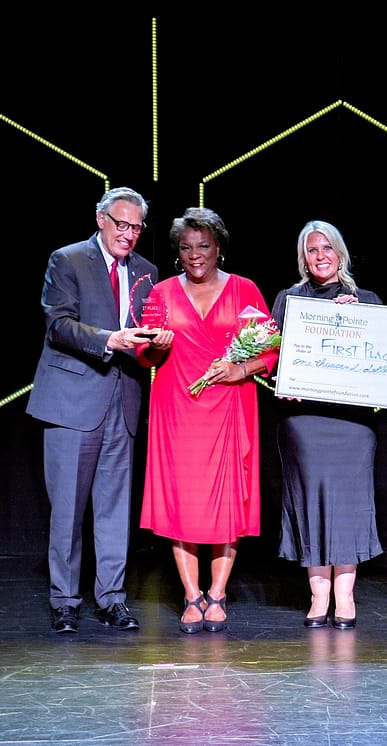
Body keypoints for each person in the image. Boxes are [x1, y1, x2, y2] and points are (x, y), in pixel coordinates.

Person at [138, 207, 279, 634]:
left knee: (225, 501)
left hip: (230, 407)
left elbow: (270, 348)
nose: (195, 255)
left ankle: (217, 594)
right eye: (186, 248)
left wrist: (243, 369)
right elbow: (144, 352)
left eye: (203, 246)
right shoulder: (161, 292)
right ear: (177, 253)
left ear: (219, 247)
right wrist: (156, 345)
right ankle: (191, 594)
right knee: (182, 502)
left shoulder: (245, 289)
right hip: (177, 410)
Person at [27, 186, 159, 634]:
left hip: (123, 402)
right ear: (100, 219)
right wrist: (110, 339)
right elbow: (59, 326)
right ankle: (65, 601)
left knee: (114, 510)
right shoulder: (67, 260)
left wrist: (157, 344)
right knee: (67, 510)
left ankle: (112, 598)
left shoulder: (147, 270)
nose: (128, 234)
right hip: (72, 404)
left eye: (136, 227)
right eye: (121, 224)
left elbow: (147, 335)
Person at [271, 220, 385, 630]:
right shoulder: (290, 300)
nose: (320, 257)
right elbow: (270, 356)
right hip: (305, 424)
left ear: (340, 253)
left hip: (352, 425)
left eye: (326, 249)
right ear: (304, 258)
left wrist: (360, 321)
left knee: (349, 507)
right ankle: (318, 596)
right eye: (311, 250)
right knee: (311, 502)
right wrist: (280, 383)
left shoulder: (366, 300)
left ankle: (345, 595)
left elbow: (383, 360)